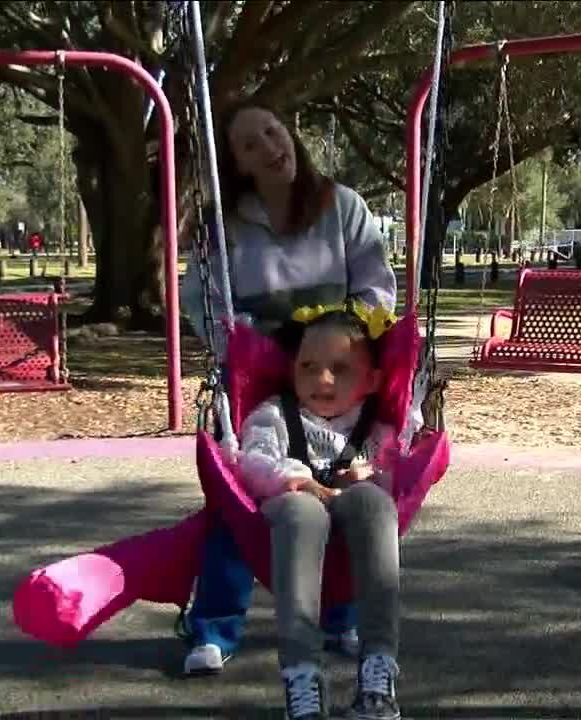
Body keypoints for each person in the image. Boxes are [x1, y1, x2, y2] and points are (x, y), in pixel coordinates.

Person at [179, 100, 398, 676]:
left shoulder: (341, 206)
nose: (271, 147)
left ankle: (340, 616)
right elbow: (204, 303)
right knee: (239, 496)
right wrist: (248, 343)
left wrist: (332, 333)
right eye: (251, 144)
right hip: (260, 368)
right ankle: (216, 626)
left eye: (273, 132)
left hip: (334, 365)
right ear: (238, 164)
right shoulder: (223, 227)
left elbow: (378, 290)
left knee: (341, 478)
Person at [239, 307, 402, 720]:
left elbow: (402, 467)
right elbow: (252, 460)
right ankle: (302, 675)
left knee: (375, 502)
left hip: (350, 504)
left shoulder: (376, 428)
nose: (322, 380)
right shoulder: (274, 416)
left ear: (372, 381)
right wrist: (298, 478)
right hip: (292, 505)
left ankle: (377, 675)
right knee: (302, 512)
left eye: (340, 369)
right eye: (308, 366)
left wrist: (370, 474)